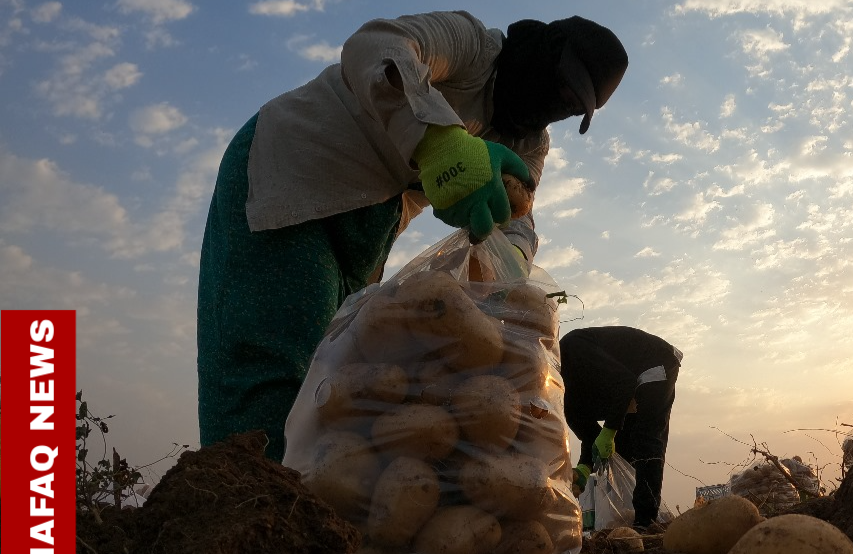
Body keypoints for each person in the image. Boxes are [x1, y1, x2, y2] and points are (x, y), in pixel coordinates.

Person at [197, 11, 628, 461]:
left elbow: (517, 218)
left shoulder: (528, 141)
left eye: (570, 106)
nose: (554, 105)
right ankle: (237, 508)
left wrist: (510, 282)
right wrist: (439, 139)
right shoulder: (473, 46)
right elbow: (378, 47)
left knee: (332, 380)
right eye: (560, 84)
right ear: (544, 48)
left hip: (369, 225)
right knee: (278, 365)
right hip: (294, 171)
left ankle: (307, 517)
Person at [561, 326, 682, 528]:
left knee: (646, 440)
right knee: (624, 452)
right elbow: (591, 439)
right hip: (626, 390)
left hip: (653, 361)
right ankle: (631, 517)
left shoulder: (572, 348)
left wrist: (609, 431)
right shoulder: (570, 408)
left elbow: (624, 382)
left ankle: (646, 522)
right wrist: (583, 468)